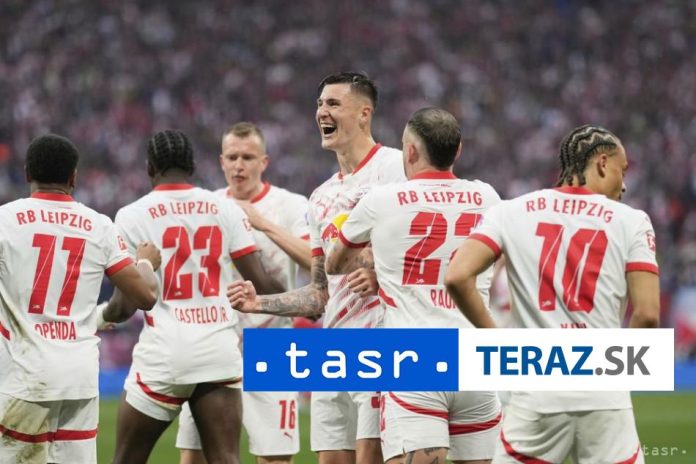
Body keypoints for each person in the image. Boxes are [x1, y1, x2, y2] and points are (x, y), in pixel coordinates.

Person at [445, 124, 659, 464]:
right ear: (603, 163)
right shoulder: (632, 221)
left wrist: (495, 339)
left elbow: (457, 276)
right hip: (604, 397)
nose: (624, 184)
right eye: (623, 170)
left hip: (536, 394)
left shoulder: (510, 211)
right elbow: (647, 314)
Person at [228, 72, 406, 464]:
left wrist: (381, 272)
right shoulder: (321, 197)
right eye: (319, 104)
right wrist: (260, 303)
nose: (321, 112)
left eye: (333, 104)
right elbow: (318, 295)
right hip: (332, 349)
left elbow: (432, 240)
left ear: (364, 114)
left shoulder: (396, 169)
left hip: (382, 345)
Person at [325, 107, 502, 464]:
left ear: (409, 151)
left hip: (413, 361)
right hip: (474, 361)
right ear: (458, 150)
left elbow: (335, 263)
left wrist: (381, 266)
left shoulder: (382, 200)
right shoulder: (488, 197)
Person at [110, 129, 285, 464]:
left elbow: (124, 306)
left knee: (127, 459)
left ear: (149, 167)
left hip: (164, 354)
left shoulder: (131, 215)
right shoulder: (225, 209)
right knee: (226, 459)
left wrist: (105, 314)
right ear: (192, 166)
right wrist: (308, 294)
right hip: (217, 351)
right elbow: (262, 283)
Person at [0, 134, 160, 464]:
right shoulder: (99, 225)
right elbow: (145, 296)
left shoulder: (5, 220)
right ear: (74, 177)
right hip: (79, 380)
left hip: (24, 376)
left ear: (27, 172)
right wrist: (145, 263)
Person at [177, 122, 312, 464]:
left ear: (264, 162)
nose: (239, 165)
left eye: (248, 158)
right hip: (214, 342)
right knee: (194, 454)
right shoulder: (204, 206)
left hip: (273, 344)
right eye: (233, 157)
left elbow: (314, 259)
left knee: (275, 456)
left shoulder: (290, 205)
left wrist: (263, 223)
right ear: (221, 161)